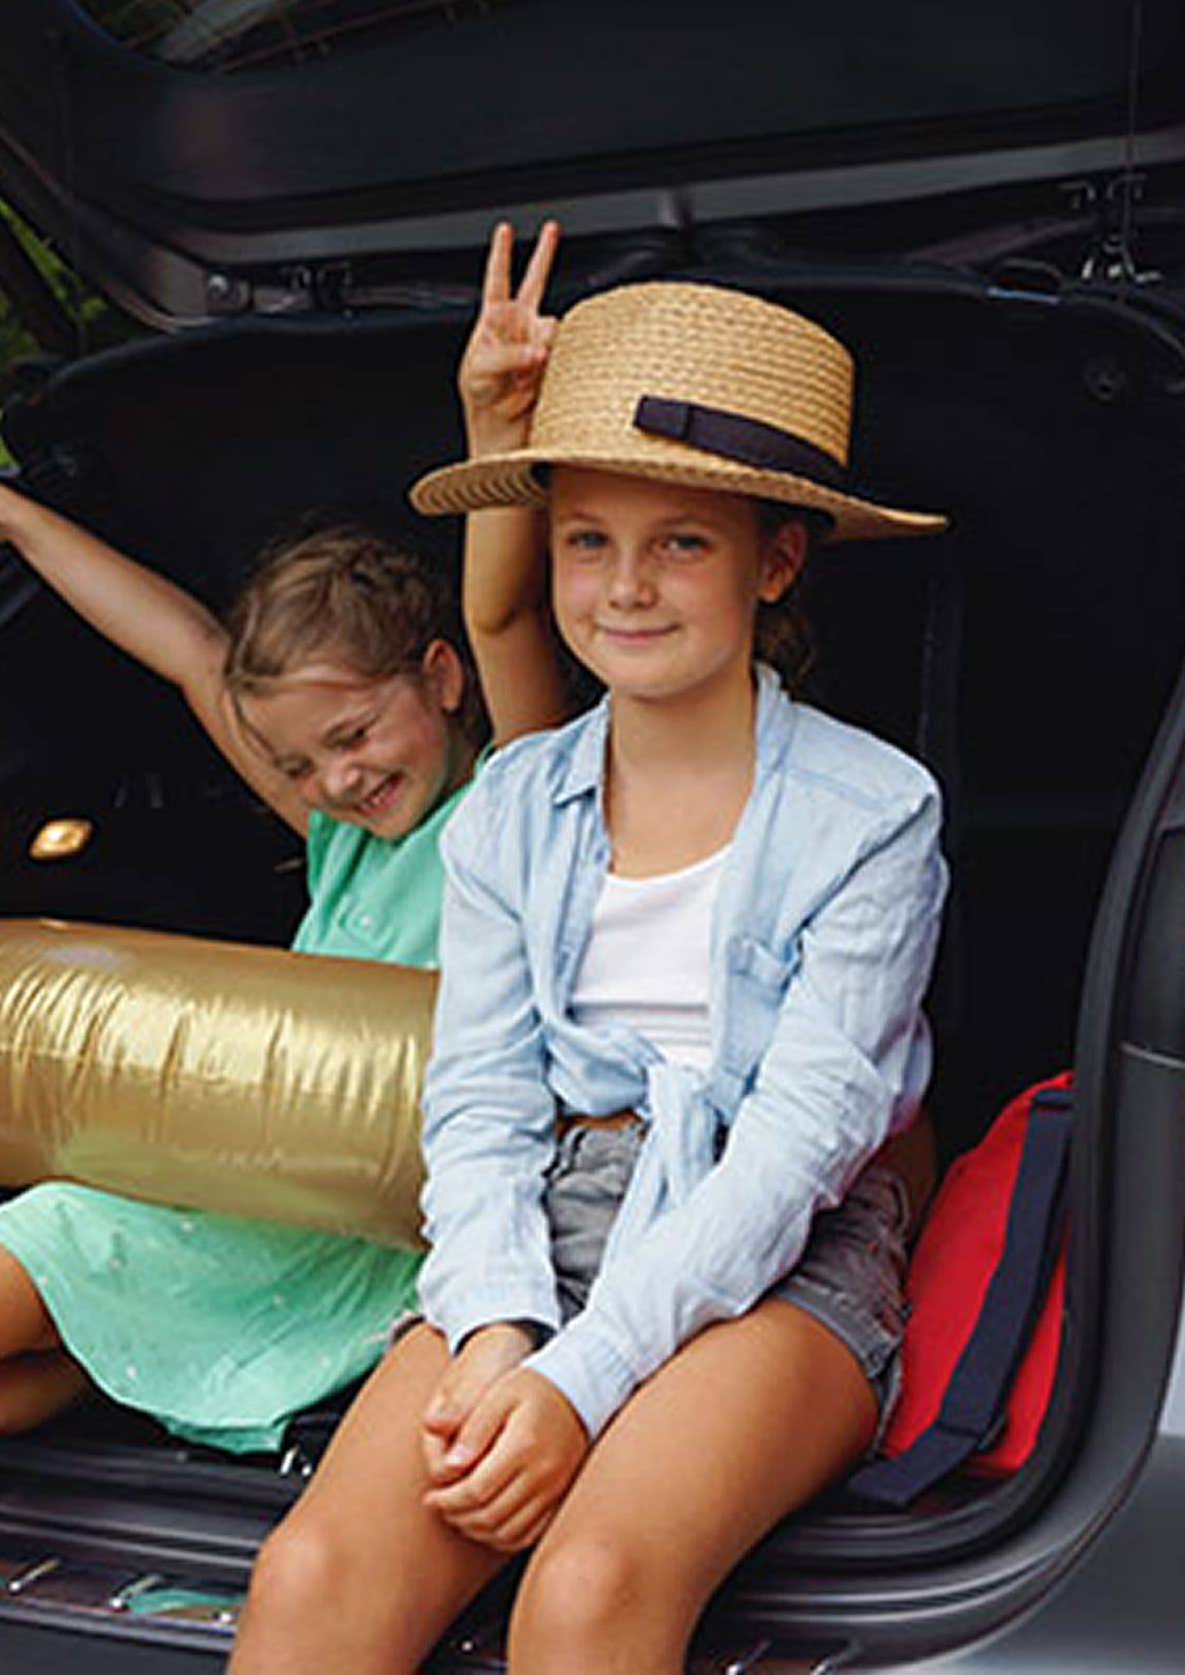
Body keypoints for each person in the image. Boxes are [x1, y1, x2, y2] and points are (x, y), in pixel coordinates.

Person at [0, 223, 564, 1569]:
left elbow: (508, 619)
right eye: (299, 764)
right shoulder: (341, 836)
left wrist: (494, 426)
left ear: (443, 680)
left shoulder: (522, 806)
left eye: (356, 737)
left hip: (368, 1236)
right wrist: (18, 520)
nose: (337, 780)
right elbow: (189, 652)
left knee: (46, 1248)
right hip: (241, 1211)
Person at [231, 276, 949, 1675]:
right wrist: (498, 1327)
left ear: (775, 562)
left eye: (681, 541)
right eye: (586, 541)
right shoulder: (510, 806)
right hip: (548, 1217)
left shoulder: (874, 813)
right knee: (315, 1572)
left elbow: (799, 1144)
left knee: (590, 1584)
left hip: (786, 1247)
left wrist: (585, 1375)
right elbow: (480, 1102)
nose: (625, 586)